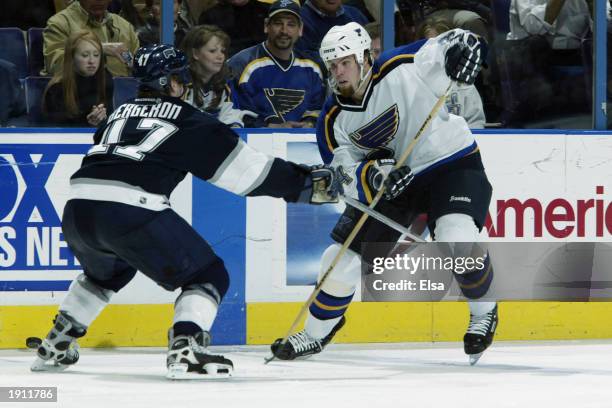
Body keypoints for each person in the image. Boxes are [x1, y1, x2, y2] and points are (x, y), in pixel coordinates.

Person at [30, 44, 341, 379]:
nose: (185, 86)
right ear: (172, 84)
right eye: (182, 79)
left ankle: (58, 341)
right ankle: (187, 348)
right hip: (129, 209)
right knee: (208, 276)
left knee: (107, 273)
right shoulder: (189, 120)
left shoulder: (119, 114)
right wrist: (309, 184)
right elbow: (251, 176)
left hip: (78, 211)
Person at [270, 23, 498, 365]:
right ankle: (315, 333)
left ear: (365, 57)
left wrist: (469, 47)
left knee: (457, 238)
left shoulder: (403, 65)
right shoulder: (332, 119)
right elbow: (343, 173)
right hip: (394, 185)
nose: (338, 71)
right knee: (338, 260)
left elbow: (451, 42)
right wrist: (375, 177)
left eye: (344, 62)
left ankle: (484, 312)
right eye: (331, 65)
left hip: (450, 163)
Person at [228, 0, 324, 128]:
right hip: (253, 142)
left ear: (300, 29)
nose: (284, 31)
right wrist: (269, 127)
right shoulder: (241, 63)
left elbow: (318, 107)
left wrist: (309, 123)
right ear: (266, 25)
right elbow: (232, 113)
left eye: (291, 24)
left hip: (302, 144)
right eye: (278, 23)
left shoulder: (312, 68)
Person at [43, 0, 139, 77]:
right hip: (78, 93)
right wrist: (96, 49)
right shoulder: (60, 24)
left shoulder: (125, 27)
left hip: (123, 94)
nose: (99, 1)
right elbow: (55, 66)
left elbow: (141, 68)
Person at [181, 25, 252, 127]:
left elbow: (231, 118)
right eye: (212, 51)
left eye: (222, 51)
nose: (220, 56)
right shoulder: (179, 83)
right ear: (195, 53)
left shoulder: (225, 84)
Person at [42, 30, 113, 127]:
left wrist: (103, 119)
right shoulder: (57, 88)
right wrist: (88, 123)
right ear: (72, 58)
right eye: (85, 55)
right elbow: (56, 130)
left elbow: (110, 118)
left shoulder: (105, 79)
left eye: (96, 55)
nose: (92, 61)